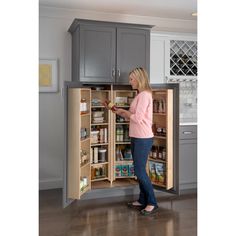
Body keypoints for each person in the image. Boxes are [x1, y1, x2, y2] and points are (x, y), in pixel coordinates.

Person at [113, 67, 158, 216]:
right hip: (137, 136)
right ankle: (142, 199)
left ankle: (152, 202)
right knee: (139, 171)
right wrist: (121, 112)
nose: (130, 81)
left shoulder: (144, 95)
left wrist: (124, 112)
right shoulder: (140, 95)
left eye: (132, 79)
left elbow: (138, 119)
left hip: (143, 138)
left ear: (139, 79)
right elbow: (135, 115)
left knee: (139, 171)